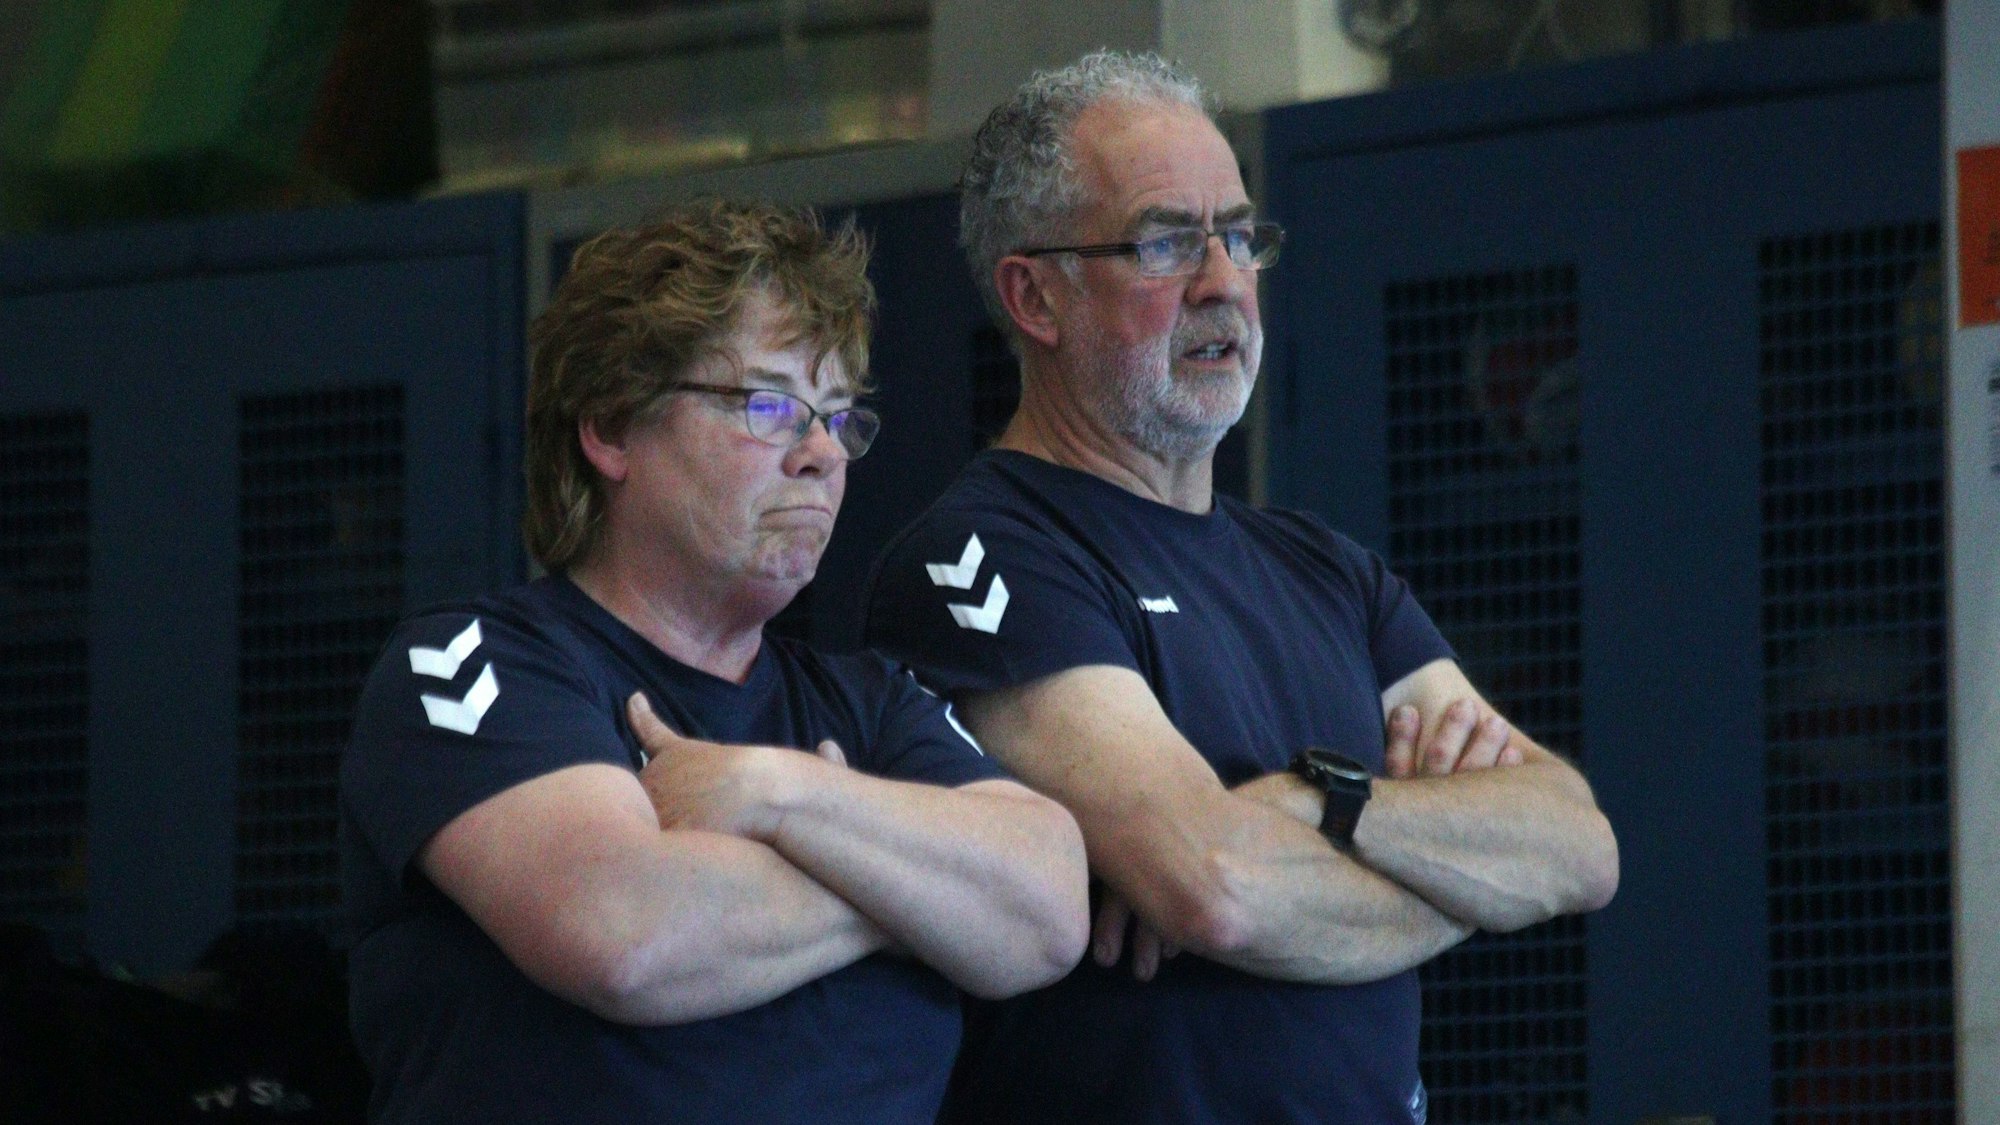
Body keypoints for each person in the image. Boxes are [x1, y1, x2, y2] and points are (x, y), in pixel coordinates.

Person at [861, 52, 1620, 1123]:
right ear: (1035, 296)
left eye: (1238, 235)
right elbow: (1215, 886)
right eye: (1166, 242)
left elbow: (1577, 845)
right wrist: (1464, 879)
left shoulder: (1328, 572)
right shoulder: (981, 553)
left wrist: (1317, 802)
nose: (1222, 281)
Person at [340, 199, 1090, 1124]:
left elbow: (1050, 906)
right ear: (613, 426)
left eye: (839, 417)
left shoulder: (871, 703)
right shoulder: (473, 663)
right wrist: (915, 898)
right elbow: (625, 933)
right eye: (769, 405)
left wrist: (780, 795)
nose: (821, 454)